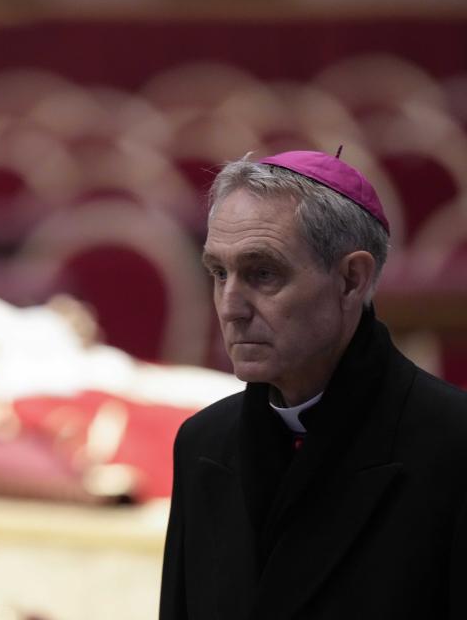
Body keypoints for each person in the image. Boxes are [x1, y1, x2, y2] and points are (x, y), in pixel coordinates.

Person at [160, 150, 467, 619]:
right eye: (219, 273)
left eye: (263, 274)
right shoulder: (203, 443)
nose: (230, 306)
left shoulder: (454, 446)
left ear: (351, 280)